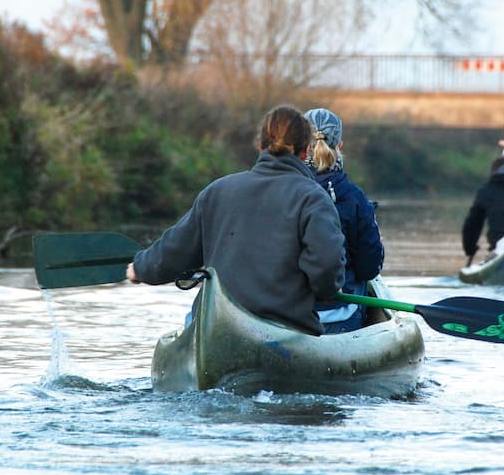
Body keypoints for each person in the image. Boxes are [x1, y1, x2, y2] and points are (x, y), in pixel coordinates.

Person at [126, 105, 346, 336]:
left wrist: (140, 269)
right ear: (305, 152)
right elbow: (327, 269)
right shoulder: (315, 199)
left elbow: (174, 251)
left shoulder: (216, 191)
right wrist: (328, 288)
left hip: (216, 327)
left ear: (261, 146)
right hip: (287, 329)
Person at [304, 108, 385, 334]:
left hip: (290, 312)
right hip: (342, 314)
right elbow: (369, 269)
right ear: (340, 146)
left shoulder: (285, 193)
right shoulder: (356, 198)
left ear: (302, 148)